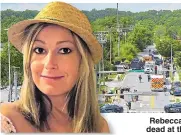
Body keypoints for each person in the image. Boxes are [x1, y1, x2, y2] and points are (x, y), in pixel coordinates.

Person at [0, 2, 109, 133]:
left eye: (64, 50)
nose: (49, 64)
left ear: (82, 62)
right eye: (39, 50)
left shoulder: (99, 127)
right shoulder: (6, 120)